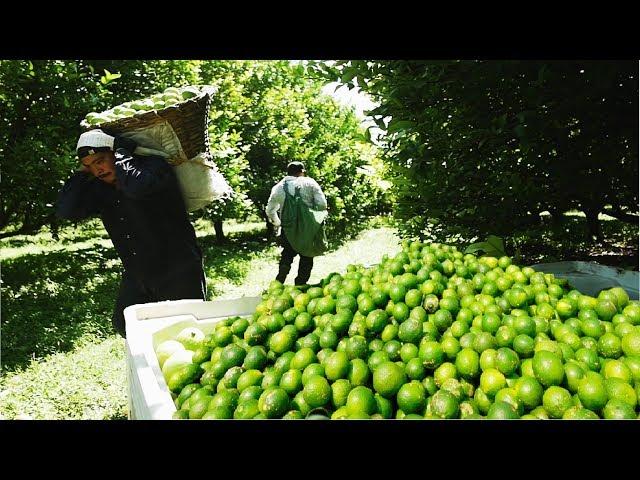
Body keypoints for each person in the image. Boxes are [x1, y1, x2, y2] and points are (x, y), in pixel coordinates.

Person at [56, 129, 206, 337]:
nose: (97, 170)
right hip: (139, 273)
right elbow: (67, 210)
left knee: (187, 328)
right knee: (124, 323)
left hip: (177, 268)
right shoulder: (101, 188)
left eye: (100, 160)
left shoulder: (154, 167)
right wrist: (82, 171)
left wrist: (123, 153)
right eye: (90, 166)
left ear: (115, 153)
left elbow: (136, 188)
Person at [266, 161, 327, 285]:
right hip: (307, 229)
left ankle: (280, 280)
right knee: (307, 256)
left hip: (288, 229)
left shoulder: (278, 187)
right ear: (302, 171)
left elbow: (270, 210)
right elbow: (322, 205)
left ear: (287, 172)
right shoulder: (310, 183)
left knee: (287, 255)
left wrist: (278, 223)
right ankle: (300, 284)